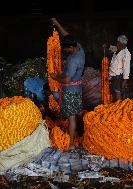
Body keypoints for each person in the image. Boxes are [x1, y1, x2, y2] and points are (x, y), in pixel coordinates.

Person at [49, 17, 85, 150]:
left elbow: (66, 80)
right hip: (78, 88)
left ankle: (70, 144)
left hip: (70, 90)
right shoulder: (80, 49)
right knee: (77, 112)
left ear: (70, 47)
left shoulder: (72, 61)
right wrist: (57, 23)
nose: (64, 50)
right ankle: (81, 134)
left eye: (65, 49)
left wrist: (55, 77)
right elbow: (67, 36)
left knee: (71, 118)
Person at [107, 35, 131, 101]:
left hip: (118, 75)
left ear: (123, 44)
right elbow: (111, 48)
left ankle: (118, 106)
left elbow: (126, 67)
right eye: (117, 43)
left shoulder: (126, 54)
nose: (117, 44)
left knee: (117, 91)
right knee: (112, 91)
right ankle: (113, 105)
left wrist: (125, 80)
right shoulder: (118, 49)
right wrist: (107, 46)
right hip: (112, 74)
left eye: (118, 43)